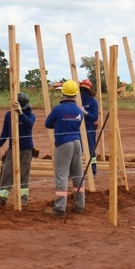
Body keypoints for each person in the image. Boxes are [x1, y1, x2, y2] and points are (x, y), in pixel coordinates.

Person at [44, 80, 85, 216]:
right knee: (78, 174)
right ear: (75, 94)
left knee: (61, 175)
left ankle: (59, 207)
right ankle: (79, 204)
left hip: (64, 144)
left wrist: (60, 125)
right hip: (77, 143)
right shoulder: (79, 110)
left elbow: (48, 123)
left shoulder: (58, 109)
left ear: (63, 92)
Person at [0, 92, 36, 207]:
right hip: (13, 148)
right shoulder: (9, 115)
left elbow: (29, 124)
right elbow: (5, 132)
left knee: (24, 174)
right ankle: (2, 197)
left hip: (26, 149)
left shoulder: (30, 115)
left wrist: (21, 113)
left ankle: (23, 197)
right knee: (7, 172)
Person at [79, 78, 100, 175]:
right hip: (79, 129)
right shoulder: (78, 101)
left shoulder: (93, 102)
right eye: (81, 90)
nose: (82, 92)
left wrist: (86, 113)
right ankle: (78, 170)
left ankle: (93, 170)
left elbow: (94, 117)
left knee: (91, 150)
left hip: (89, 129)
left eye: (84, 90)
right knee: (79, 150)